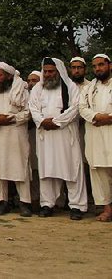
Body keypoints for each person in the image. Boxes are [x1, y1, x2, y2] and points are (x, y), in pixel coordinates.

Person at [29, 57, 88, 220]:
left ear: (59, 71)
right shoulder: (37, 89)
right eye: (45, 71)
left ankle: (77, 206)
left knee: (72, 170)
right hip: (46, 137)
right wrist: (42, 121)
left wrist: (56, 122)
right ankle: (47, 204)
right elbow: (33, 108)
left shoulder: (71, 87)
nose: (48, 74)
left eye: (51, 71)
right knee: (47, 171)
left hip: (65, 136)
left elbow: (75, 108)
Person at [0, 62, 32, 216]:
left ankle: (24, 203)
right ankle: (2, 202)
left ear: (9, 76)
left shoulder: (21, 90)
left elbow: (29, 111)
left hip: (16, 134)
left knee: (19, 168)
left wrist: (11, 118)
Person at [79, 54, 112, 221]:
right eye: (95, 66)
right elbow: (82, 108)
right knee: (100, 174)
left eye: (101, 65)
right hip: (95, 135)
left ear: (109, 65)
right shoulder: (89, 88)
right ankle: (107, 209)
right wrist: (96, 117)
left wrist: (109, 118)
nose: (98, 68)